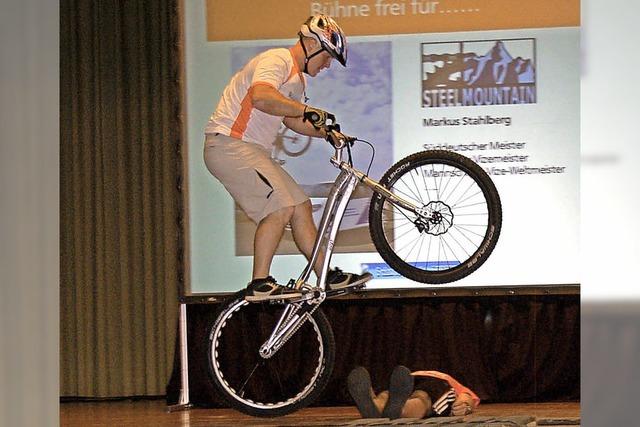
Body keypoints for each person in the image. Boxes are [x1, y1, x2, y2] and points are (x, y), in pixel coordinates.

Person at [203, 14, 372, 302]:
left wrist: (328, 134)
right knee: (279, 208)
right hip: (230, 144)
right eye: (328, 57)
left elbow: (292, 120)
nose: (328, 64)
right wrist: (305, 110)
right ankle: (259, 282)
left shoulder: (297, 81)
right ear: (311, 43)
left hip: (250, 149)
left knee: (301, 206)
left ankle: (325, 276)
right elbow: (261, 96)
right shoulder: (278, 60)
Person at [347, 365, 480, 419]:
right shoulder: (450, 381)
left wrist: (464, 404)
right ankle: (400, 410)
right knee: (422, 400)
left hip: (410, 378)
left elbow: (465, 397)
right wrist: (464, 405)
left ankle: (375, 404)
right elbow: (466, 396)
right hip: (436, 383)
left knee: (386, 395)